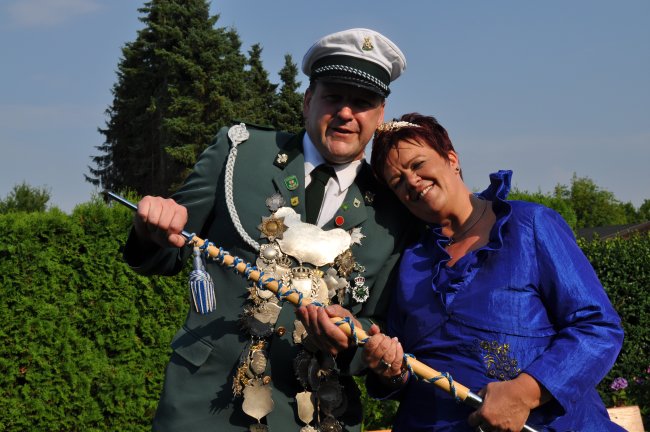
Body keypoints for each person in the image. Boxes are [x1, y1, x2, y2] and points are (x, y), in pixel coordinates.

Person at [122, 28, 418, 432]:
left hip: (316, 415)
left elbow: (376, 322)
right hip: (208, 406)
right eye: (333, 97)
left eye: (363, 103)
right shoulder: (239, 153)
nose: (347, 113)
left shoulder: (393, 211)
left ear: (380, 115)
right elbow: (167, 252)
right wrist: (149, 229)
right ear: (308, 101)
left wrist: (350, 336)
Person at [362, 113, 625, 431]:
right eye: (397, 181)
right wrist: (391, 371)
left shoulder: (529, 226)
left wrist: (524, 393)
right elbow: (407, 366)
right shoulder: (409, 263)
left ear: (451, 159)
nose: (412, 182)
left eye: (418, 164)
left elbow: (597, 327)